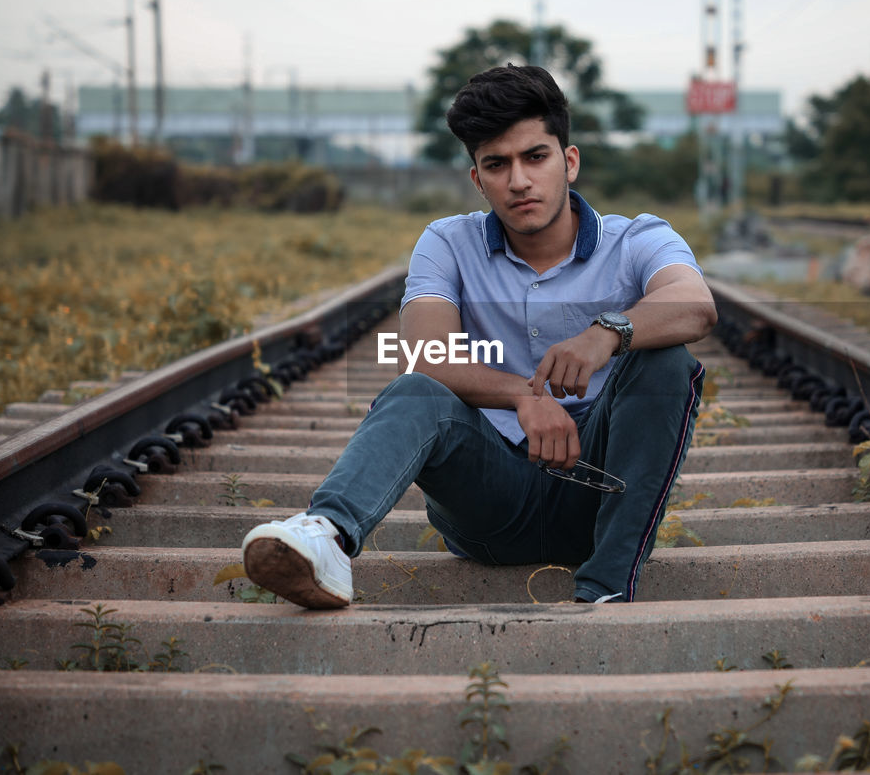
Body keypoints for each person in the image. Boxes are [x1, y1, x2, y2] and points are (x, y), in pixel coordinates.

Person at [241, 64, 716, 607]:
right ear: (477, 178)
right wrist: (523, 395)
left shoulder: (637, 240)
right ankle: (326, 538)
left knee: (665, 361)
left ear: (570, 161)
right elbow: (424, 353)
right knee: (415, 389)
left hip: (602, 494)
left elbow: (696, 305)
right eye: (497, 164)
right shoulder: (448, 242)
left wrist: (607, 332)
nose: (519, 181)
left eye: (535, 157)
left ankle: (606, 588)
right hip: (489, 505)